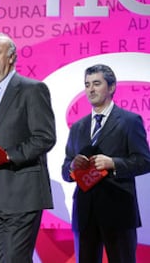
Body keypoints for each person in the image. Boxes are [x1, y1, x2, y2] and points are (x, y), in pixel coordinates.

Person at [0, 32, 56, 262]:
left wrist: (6, 156)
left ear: (11, 58)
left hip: (21, 191)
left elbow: (44, 137)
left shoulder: (32, 89)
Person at [61, 64, 150, 263]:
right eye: (87, 85)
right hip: (85, 213)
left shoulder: (129, 121)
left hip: (118, 210)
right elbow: (65, 170)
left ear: (111, 87)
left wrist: (113, 163)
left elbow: (145, 161)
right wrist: (72, 167)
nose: (90, 89)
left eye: (96, 83)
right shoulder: (78, 127)